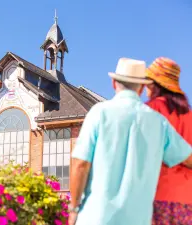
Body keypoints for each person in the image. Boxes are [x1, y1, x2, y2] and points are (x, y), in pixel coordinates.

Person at [68, 58, 192, 225]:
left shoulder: (99, 113)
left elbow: (80, 164)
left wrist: (74, 208)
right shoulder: (159, 122)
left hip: (97, 217)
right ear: (141, 88)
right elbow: (187, 157)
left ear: (113, 83)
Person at [145, 57, 192, 224]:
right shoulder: (189, 115)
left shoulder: (150, 110)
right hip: (187, 201)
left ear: (155, 84)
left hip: (158, 196)